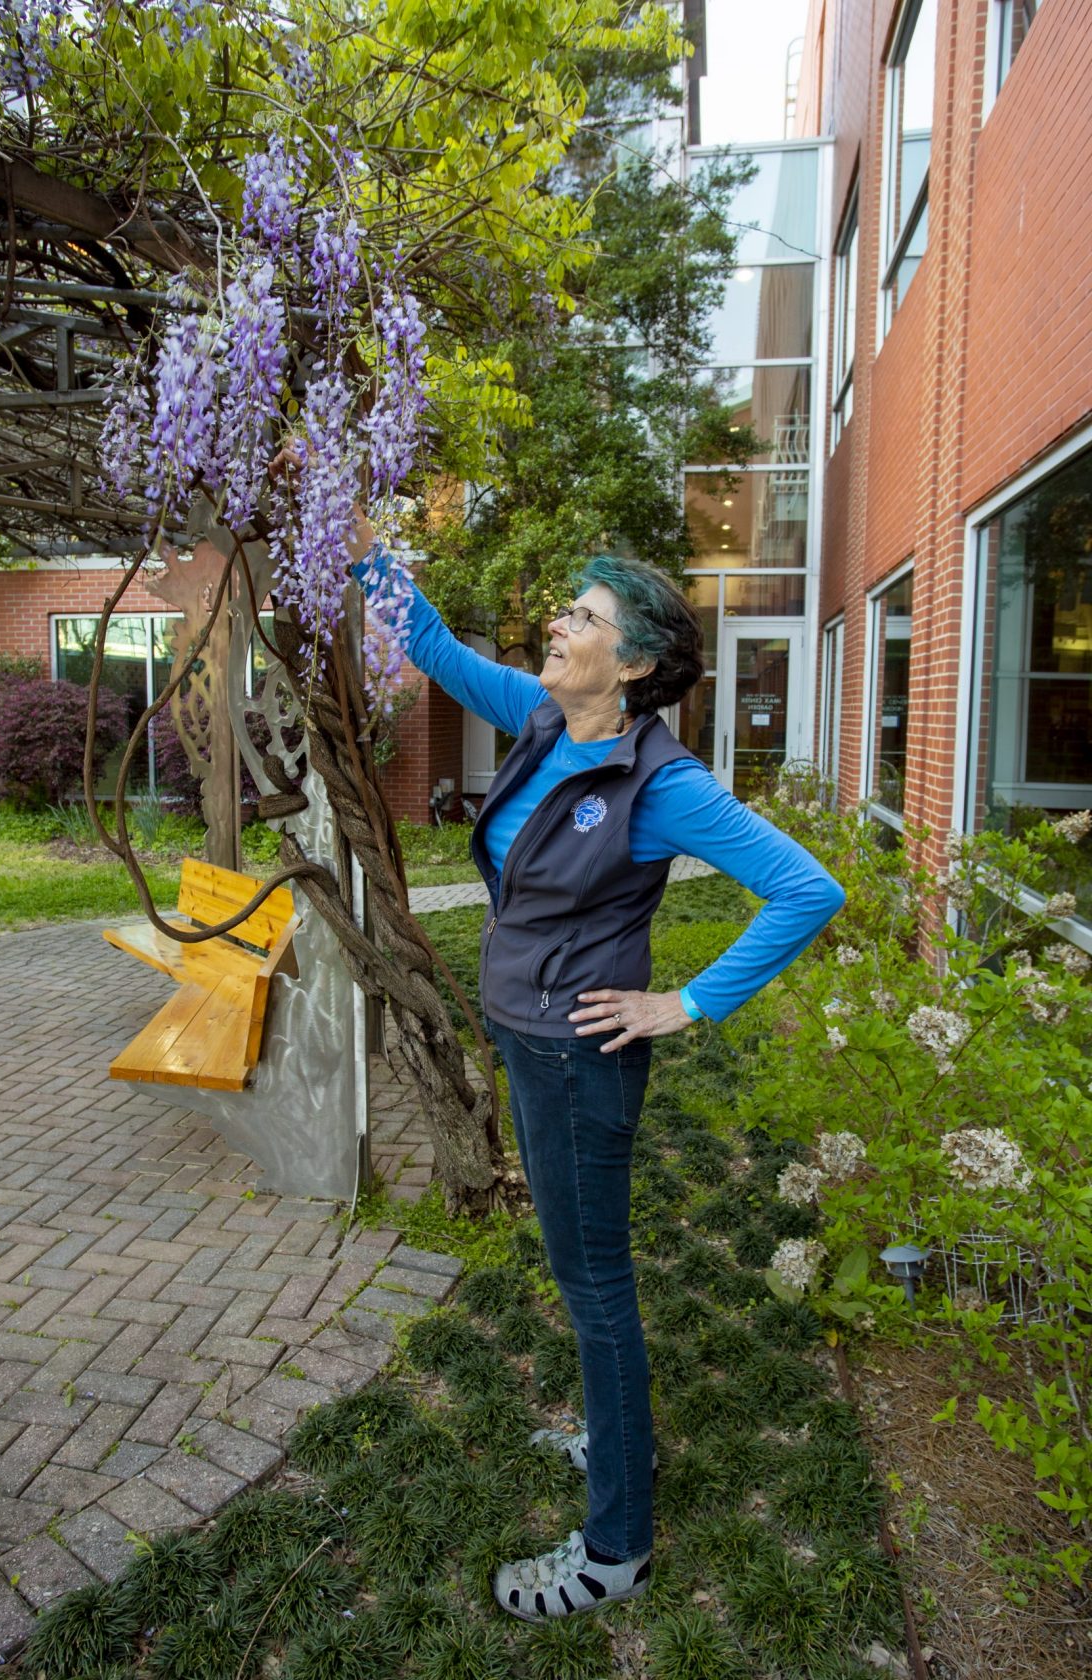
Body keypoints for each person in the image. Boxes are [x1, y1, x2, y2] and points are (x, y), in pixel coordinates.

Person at [346, 511, 845, 1623]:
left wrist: (689, 1002)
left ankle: (617, 1546)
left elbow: (810, 890)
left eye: (585, 616)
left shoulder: (663, 785)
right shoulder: (537, 717)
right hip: (530, 1043)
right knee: (589, 1287)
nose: (559, 624)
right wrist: (359, 531)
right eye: (570, 607)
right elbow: (426, 643)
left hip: (581, 1064)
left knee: (597, 1291)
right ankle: (619, 1441)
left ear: (635, 665)